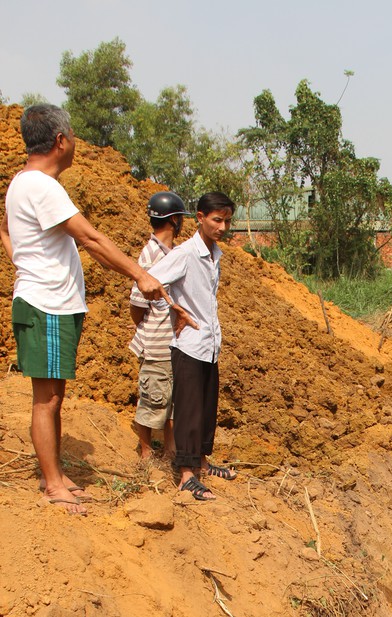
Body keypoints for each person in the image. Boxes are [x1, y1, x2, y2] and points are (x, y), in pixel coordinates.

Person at [0, 103, 185, 515]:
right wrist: (140, 274)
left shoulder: (22, 184)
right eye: (74, 137)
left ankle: (57, 473)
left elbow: (11, 233)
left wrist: (23, 265)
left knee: (55, 395)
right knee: (46, 399)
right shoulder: (42, 187)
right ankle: (52, 483)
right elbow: (93, 239)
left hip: (52, 303)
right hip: (46, 304)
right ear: (61, 140)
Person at [147, 191, 236, 501]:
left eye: (227, 221)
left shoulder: (214, 255)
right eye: (216, 220)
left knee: (206, 407)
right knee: (188, 409)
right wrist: (173, 307)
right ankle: (186, 475)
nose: (223, 227)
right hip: (188, 344)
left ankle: (202, 463)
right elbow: (147, 282)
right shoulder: (185, 254)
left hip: (208, 343)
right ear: (199, 218)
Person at [129, 191, 190, 460]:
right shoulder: (150, 254)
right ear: (174, 220)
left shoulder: (173, 252)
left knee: (171, 401)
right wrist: (149, 328)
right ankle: (145, 451)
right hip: (155, 345)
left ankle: (170, 450)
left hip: (173, 343)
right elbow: (136, 304)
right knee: (153, 399)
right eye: (181, 219)